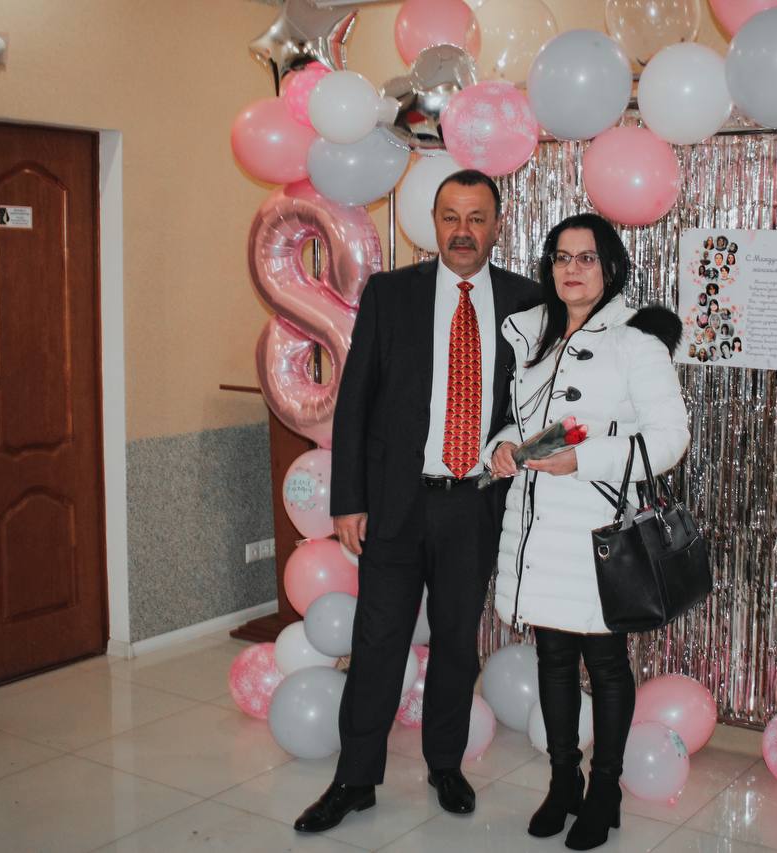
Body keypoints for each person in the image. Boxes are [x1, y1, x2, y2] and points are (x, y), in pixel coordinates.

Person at [294, 170, 537, 833]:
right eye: (451, 216)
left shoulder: (527, 301)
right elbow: (356, 401)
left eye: (477, 218)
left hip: (475, 505)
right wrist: (349, 500)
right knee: (378, 641)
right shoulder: (391, 293)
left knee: (457, 641)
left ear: (497, 225)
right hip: (396, 504)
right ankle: (354, 779)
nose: (463, 230)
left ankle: (445, 764)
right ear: (434, 223)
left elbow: (534, 403)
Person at [486, 213, 689, 850]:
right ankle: (563, 782)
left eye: (587, 258)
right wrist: (502, 448)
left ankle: (605, 789)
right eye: (562, 257)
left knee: (604, 662)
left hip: (597, 528)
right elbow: (520, 423)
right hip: (536, 526)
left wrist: (585, 459)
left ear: (610, 268)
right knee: (552, 657)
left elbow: (670, 439)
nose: (572, 270)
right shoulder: (531, 336)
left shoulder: (635, 344)